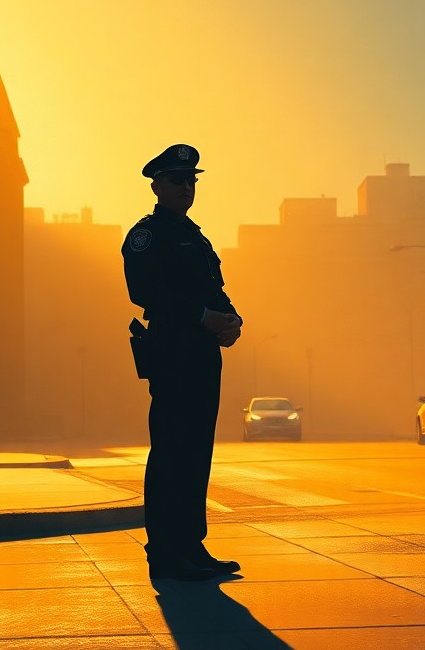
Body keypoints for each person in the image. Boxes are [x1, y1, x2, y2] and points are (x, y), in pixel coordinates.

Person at [122, 144, 243, 581]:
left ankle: (192, 545)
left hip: (202, 353)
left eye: (191, 180)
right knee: (172, 451)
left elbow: (215, 289)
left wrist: (231, 319)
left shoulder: (196, 236)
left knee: (196, 452)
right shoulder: (148, 235)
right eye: (177, 180)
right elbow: (146, 292)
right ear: (156, 184)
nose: (185, 187)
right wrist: (202, 317)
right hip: (172, 351)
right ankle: (167, 553)